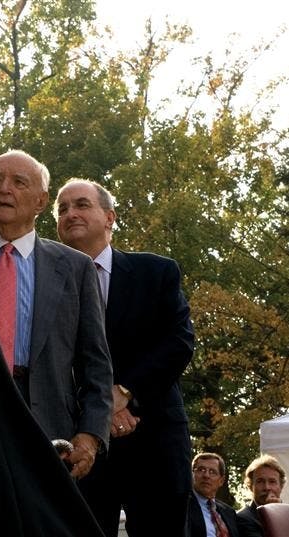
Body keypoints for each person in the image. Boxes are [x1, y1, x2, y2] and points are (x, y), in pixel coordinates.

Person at [0, 150, 113, 480]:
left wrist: (90, 436)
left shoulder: (74, 267)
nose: (4, 189)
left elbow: (95, 364)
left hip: (47, 426)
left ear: (41, 202)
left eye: (18, 182)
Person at [54, 178, 195, 536]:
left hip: (155, 437)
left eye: (82, 204)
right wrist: (102, 410)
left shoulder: (156, 272)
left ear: (110, 217)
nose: (71, 213)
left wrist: (126, 393)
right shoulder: (46, 283)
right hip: (84, 441)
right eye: (62, 208)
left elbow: (178, 341)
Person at [188, 452, 242, 537]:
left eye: (212, 472)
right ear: (192, 475)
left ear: (221, 481)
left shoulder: (229, 512)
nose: (206, 475)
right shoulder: (183, 507)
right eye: (201, 470)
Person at [236, 454, 287, 537]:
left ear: (281, 486)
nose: (267, 487)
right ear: (250, 486)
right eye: (260, 481)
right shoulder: (243, 518)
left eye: (272, 481)